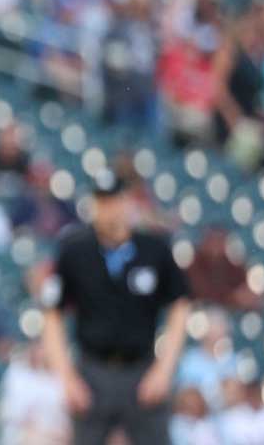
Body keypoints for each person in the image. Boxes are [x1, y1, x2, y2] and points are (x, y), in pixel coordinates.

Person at [41, 169, 192, 445]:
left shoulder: (154, 249)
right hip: (92, 371)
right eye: (102, 201)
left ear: (128, 201)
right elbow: (52, 314)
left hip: (142, 369)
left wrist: (164, 370)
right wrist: (66, 376)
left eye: (114, 200)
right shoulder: (75, 251)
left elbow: (180, 306)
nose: (108, 209)